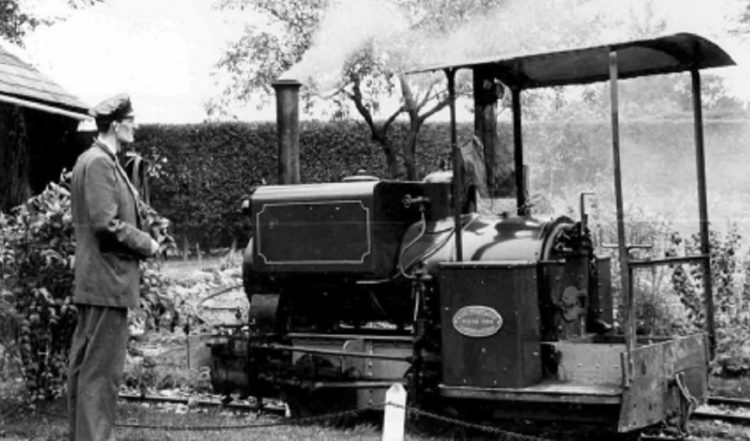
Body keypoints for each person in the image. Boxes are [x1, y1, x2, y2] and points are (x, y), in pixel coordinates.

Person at [67, 93, 160, 441]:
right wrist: (146, 243)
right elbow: (106, 225)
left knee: (85, 370)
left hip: (98, 282)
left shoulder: (93, 160)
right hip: (107, 282)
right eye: (131, 120)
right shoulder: (100, 163)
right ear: (116, 124)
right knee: (100, 375)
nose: (135, 126)